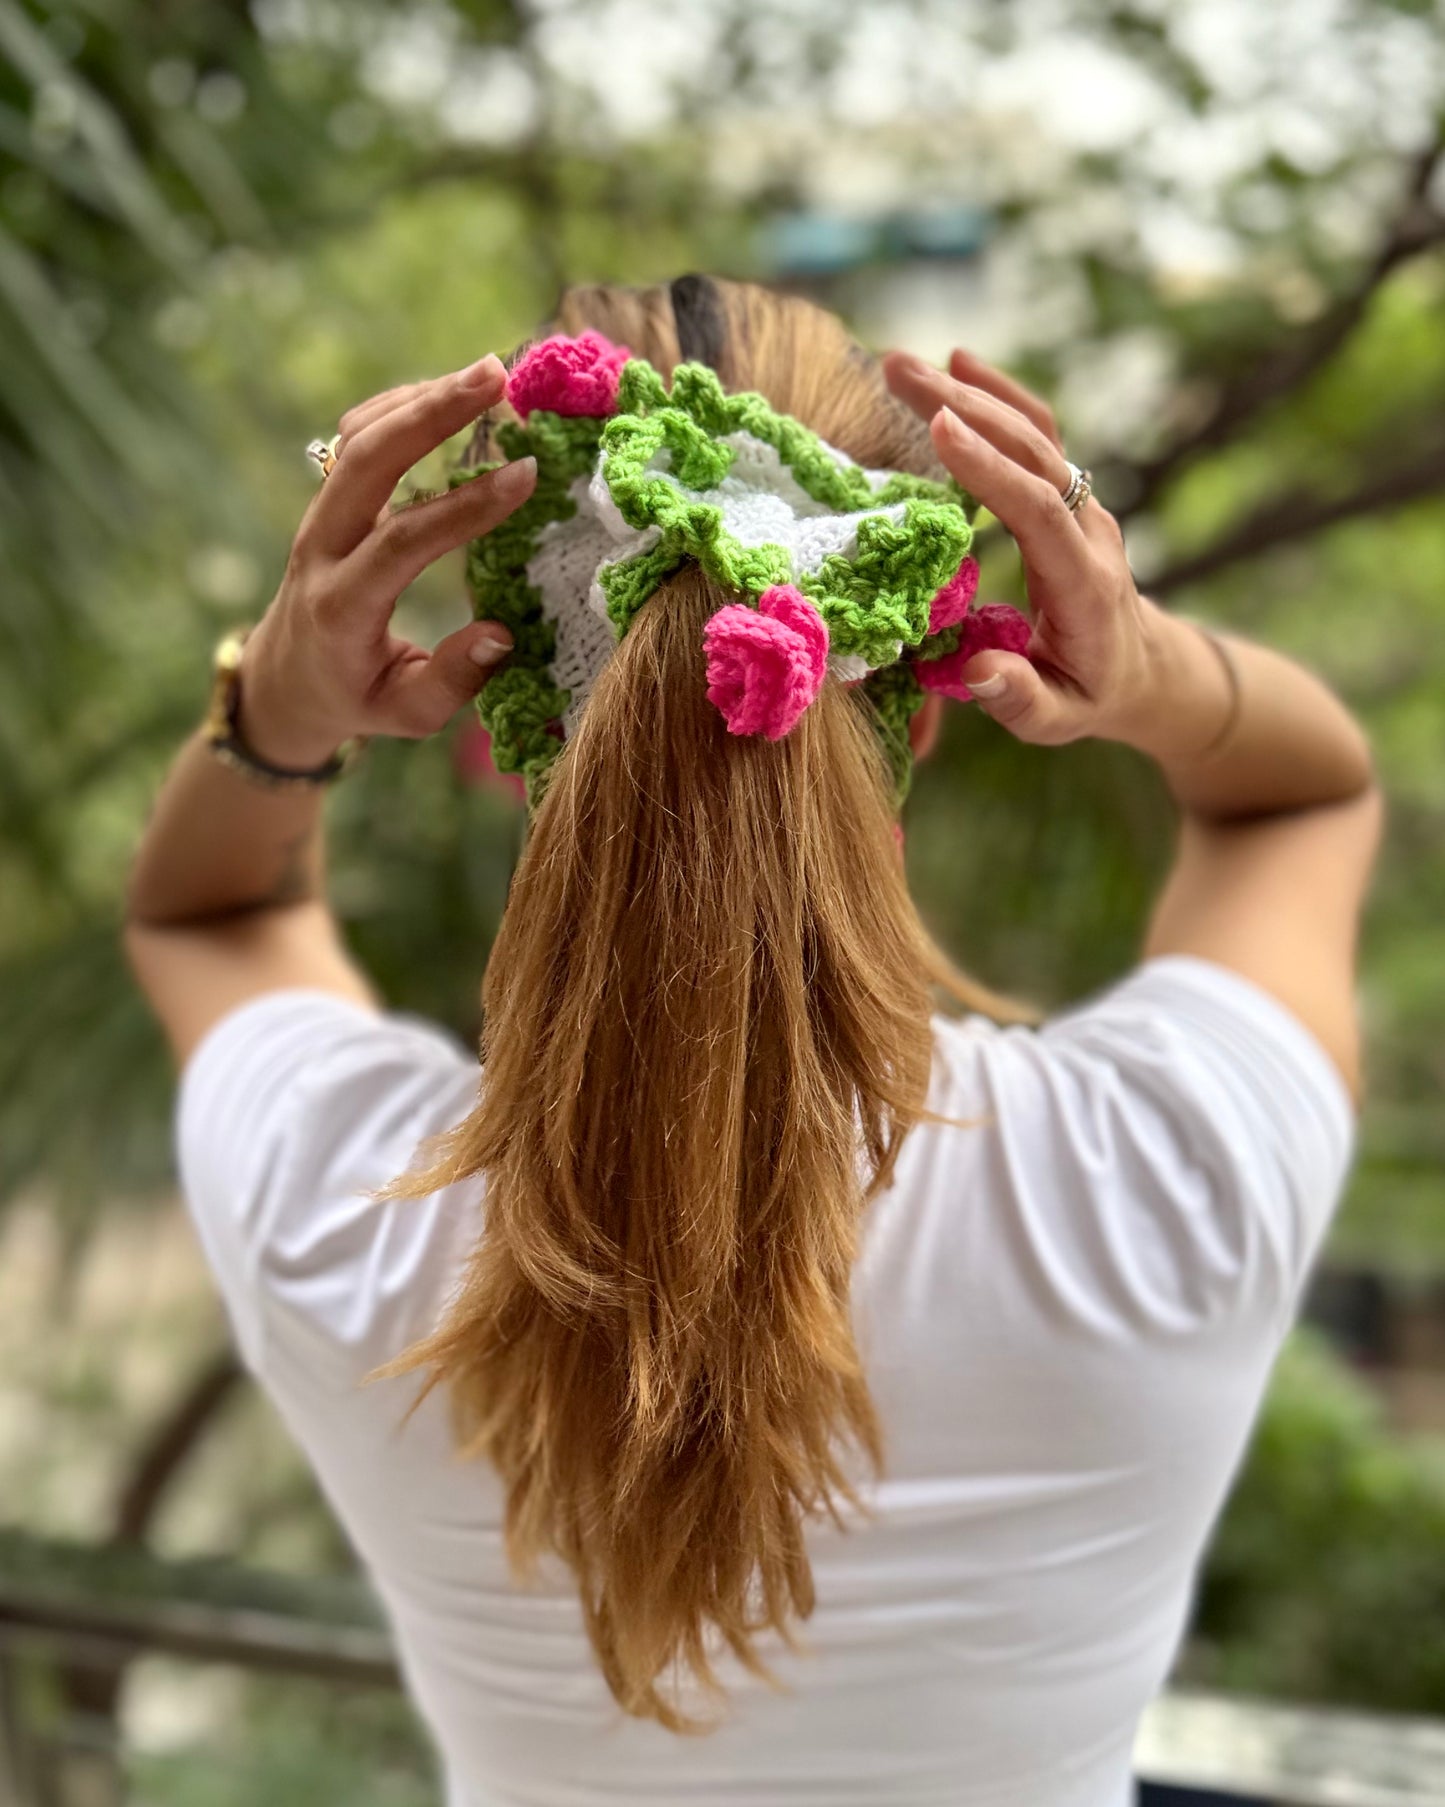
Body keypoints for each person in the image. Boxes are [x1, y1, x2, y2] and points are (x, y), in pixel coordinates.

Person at [125, 275, 1380, 1807]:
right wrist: (1148, 668)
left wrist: (277, 704)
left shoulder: (352, 1211)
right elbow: (1305, 794)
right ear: (922, 710)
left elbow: (201, 916)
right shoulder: (1172, 1171)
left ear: (505, 724)